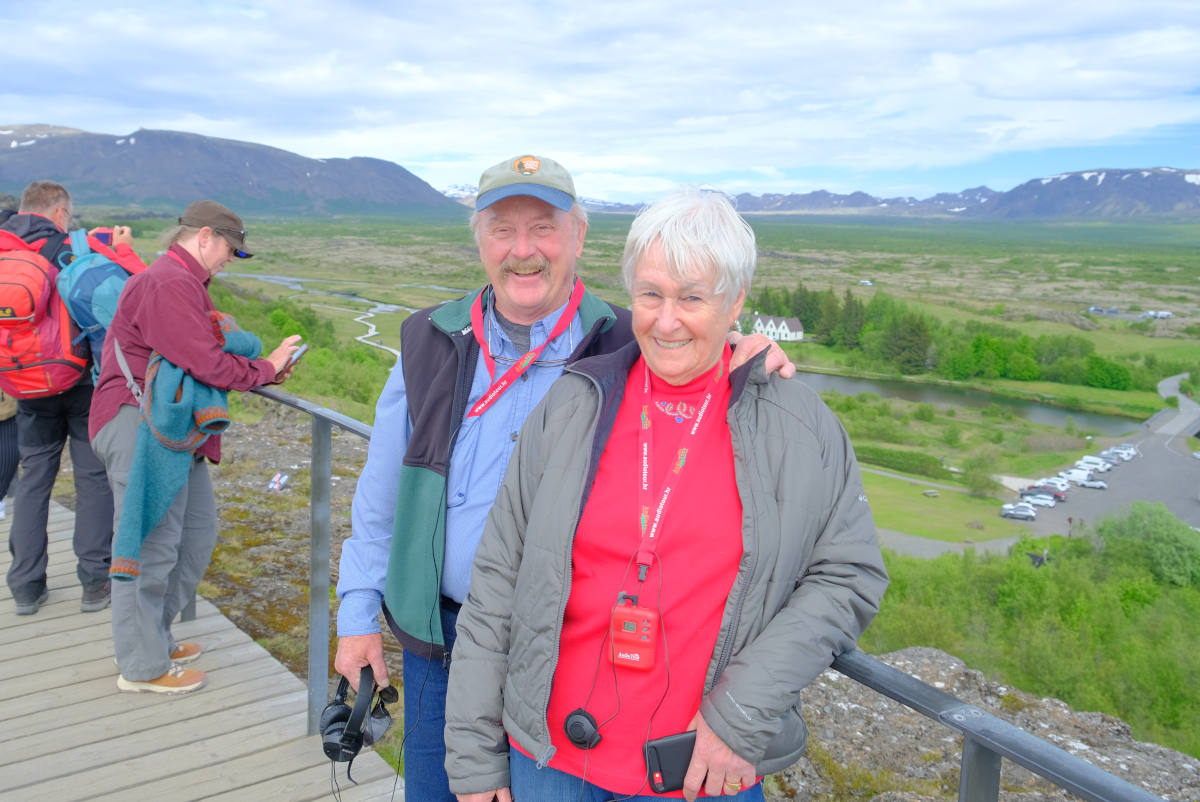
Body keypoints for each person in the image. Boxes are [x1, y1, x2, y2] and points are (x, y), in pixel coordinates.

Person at [334, 156, 793, 801]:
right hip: (442, 642)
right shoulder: (429, 340)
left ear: (579, 236)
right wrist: (357, 615)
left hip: (563, 661)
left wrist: (743, 353)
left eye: (544, 228)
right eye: (503, 229)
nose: (523, 250)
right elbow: (379, 501)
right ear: (479, 240)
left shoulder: (626, 343)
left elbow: (693, 344)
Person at [443, 187, 888, 802]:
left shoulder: (798, 427)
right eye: (651, 294)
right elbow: (497, 580)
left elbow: (847, 576)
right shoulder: (574, 403)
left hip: (701, 772)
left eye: (693, 297)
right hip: (547, 764)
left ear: (736, 301)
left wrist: (742, 715)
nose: (667, 320)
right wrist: (473, 755)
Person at [89, 200, 301, 695]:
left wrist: (263, 371)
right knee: (150, 545)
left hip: (168, 429)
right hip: (138, 424)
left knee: (193, 537)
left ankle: (154, 640)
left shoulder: (183, 282)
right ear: (204, 236)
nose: (230, 259)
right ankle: (141, 666)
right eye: (230, 249)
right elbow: (206, 362)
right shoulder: (168, 283)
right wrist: (266, 368)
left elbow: (199, 357)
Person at [2, 180, 144, 616]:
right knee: (92, 479)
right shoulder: (80, 245)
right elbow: (142, 290)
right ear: (61, 212)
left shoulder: (5, 250)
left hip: (25, 383)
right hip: (81, 382)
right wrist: (123, 250)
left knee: (33, 480)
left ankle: (26, 586)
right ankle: (94, 582)